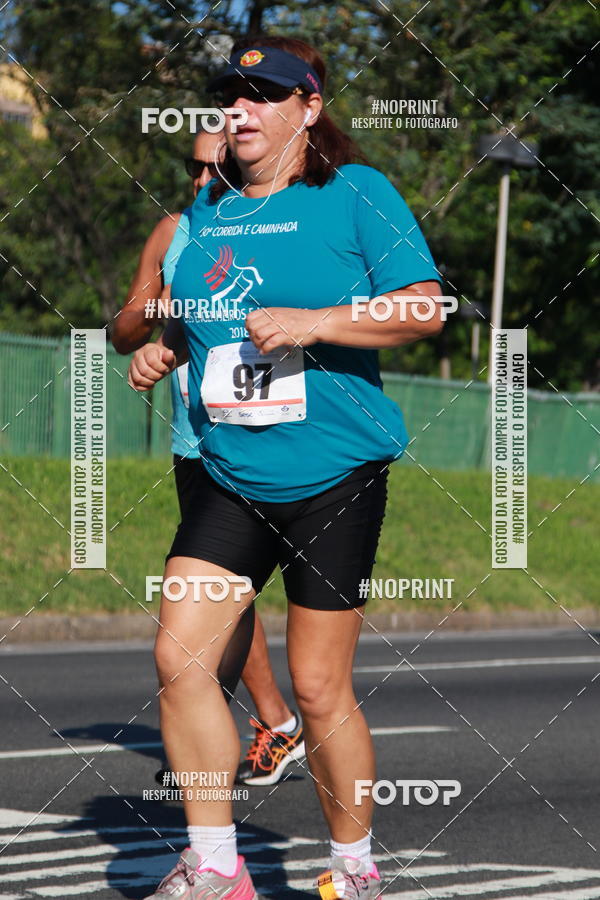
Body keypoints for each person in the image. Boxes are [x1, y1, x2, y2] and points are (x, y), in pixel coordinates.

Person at [128, 34, 443, 900]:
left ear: (309, 109)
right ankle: (219, 866)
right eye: (233, 94)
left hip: (335, 477)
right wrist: (163, 350)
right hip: (231, 474)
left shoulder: (356, 195)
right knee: (181, 660)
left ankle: (353, 867)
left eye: (264, 95)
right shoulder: (205, 216)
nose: (242, 109)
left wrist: (315, 322)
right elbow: (199, 321)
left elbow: (424, 309)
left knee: (316, 684)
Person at [112, 128, 305, 786]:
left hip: (282, 443)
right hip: (197, 446)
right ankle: (267, 727)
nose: (200, 183)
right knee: (224, 594)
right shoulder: (174, 232)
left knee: (235, 599)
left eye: (214, 169)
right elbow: (123, 328)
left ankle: (256, 730)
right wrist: (159, 317)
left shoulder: (286, 227)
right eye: (193, 169)